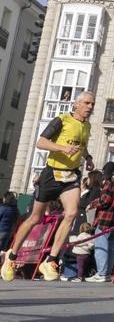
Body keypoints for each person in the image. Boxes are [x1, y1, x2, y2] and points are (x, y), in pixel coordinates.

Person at [2, 91, 95, 282]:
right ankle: (11, 256)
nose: (90, 107)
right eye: (86, 103)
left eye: (92, 104)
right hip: (52, 174)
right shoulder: (61, 120)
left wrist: (88, 158)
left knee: (71, 214)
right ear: (76, 104)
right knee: (35, 219)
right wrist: (62, 148)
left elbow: (81, 145)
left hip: (71, 176)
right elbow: (41, 142)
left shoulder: (87, 126)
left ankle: (51, 260)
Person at [85, 162, 114, 282]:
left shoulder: (110, 183)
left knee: (101, 247)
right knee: (110, 248)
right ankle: (107, 273)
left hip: (105, 219)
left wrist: (92, 204)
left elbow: (104, 201)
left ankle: (101, 273)